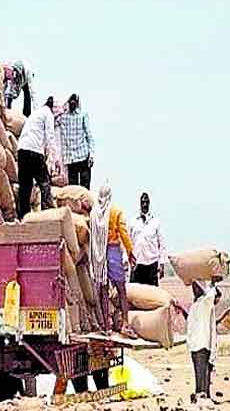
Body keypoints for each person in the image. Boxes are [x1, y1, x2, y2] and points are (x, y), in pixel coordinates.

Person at [92, 185, 135, 334]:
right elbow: (123, 232)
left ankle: (106, 326)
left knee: (103, 290)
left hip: (99, 255)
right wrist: (130, 252)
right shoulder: (115, 212)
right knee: (121, 289)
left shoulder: (94, 213)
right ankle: (125, 324)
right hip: (113, 252)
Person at [176, 280, 227, 404]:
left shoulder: (205, 301)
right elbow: (191, 319)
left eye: (196, 286)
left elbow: (213, 294)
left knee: (201, 369)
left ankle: (201, 395)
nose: (194, 289)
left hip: (202, 342)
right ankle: (203, 394)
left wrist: (213, 282)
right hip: (195, 341)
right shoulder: (197, 304)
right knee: (200, 370)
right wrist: (181, 310)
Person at [16, 96, 56, 219]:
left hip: (22, 150)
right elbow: (50, 137)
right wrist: (52, 160)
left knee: (25, 187)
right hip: (34, 151)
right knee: (44, 183)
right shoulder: (48, 114)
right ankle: (47, 214)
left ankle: (24, 217)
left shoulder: (36, 114)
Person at [129, 193, 165, 287]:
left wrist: (161, 263)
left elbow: (162, 244)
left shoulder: (156, 222)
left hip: (151, 264)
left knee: (152, 295)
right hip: (137, 263)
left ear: (149, 203)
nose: (144, 204)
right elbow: (128, 242)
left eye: (146, 202)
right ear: (140, 203)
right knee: (135, 293)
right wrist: (126, 260)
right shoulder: (133, 221)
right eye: (143, 202)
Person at [59, 93, 94, 188]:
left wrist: (91, 155)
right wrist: (91, 155)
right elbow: (89, 136)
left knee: (75, 190)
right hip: (76, 158)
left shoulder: (63, 116)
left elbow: (88, 135)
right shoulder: (65, 117)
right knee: (82, 189)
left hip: (76, 158)